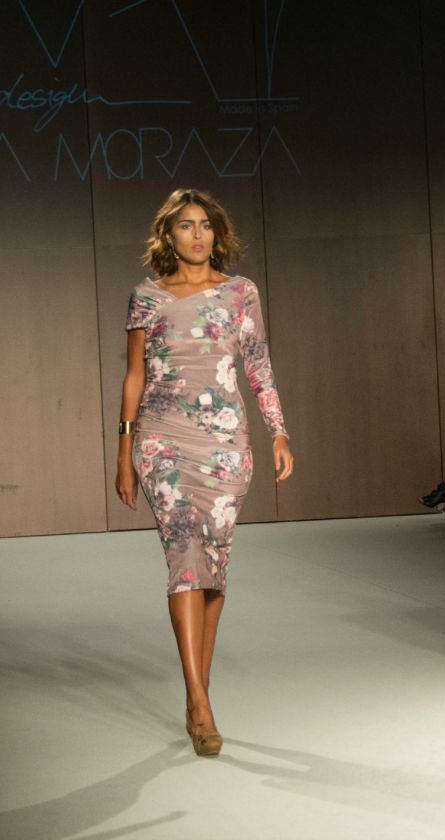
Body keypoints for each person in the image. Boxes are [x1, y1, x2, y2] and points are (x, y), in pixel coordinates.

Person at [115, 188, 294, 757]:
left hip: (225, 446)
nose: (197, 235)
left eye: (205, 225)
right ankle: (198, 701)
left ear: (217, 234)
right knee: (186, 558)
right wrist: (124, 450)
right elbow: (134, 376)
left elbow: (259, 365)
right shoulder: (146, 297)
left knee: (213, 570)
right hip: (162, 440)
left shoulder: (241, 293)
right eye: (186, 226)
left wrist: (279, 432)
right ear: (168, 236)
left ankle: (200, 691)